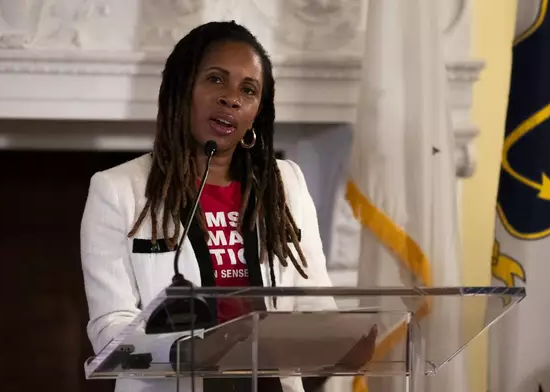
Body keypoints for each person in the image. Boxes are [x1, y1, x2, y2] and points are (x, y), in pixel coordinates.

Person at [80, 21, 377, 392]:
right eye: (216, 79)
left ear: (257, 112)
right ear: (182, 87)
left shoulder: (286, 184)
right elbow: (110, 327)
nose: (231, 98)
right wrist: (189, 350)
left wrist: (340, 340)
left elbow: (314, 301)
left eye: (248, 90)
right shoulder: (118, 189)